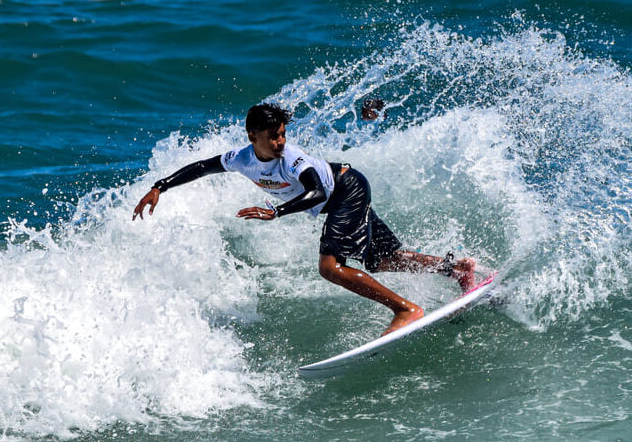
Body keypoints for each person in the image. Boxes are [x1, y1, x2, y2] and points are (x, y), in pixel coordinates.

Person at [132, 103, 479, 335]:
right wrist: (160, 187)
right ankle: (456, 269)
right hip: (342, 196)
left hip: (346, 190)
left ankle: (405, 310)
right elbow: (203, 167)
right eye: (274, 137)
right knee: (382, 259)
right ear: (253, 137)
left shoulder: (293, 158)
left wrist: (276, 212)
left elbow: (315, 192)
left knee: (330, 267)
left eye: (283, 134)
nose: (281, 141)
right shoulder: (241, 158)